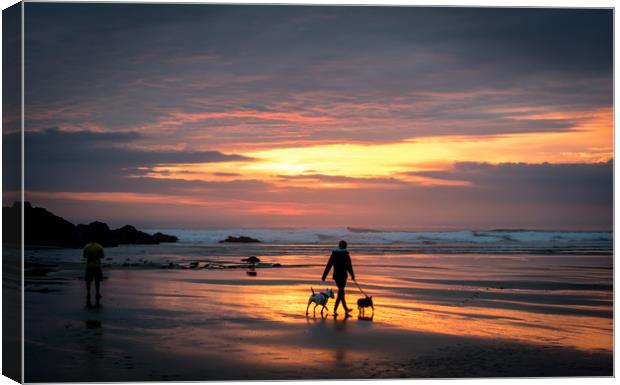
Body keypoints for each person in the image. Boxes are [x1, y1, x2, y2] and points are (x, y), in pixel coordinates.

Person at [322, 240, 355, 316]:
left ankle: (343, 310)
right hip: (343, 276)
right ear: (345, 246)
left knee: (341, 292)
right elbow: (349, 266)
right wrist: (352, 275)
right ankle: (337, 309)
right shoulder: (345, 254)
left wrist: (324, 276)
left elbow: (329, 265)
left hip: (337, 276)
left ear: (339, 246)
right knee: (341, 291)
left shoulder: (334, 254)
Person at [83, 241, 104, 306]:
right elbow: (102, 256)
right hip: (97, 266)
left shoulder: (86, 246)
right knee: (97, 281)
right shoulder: (99, 246)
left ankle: (88, 293)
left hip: (89, 266)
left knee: (88, 281)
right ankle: (97, 293)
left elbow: (84, 256)